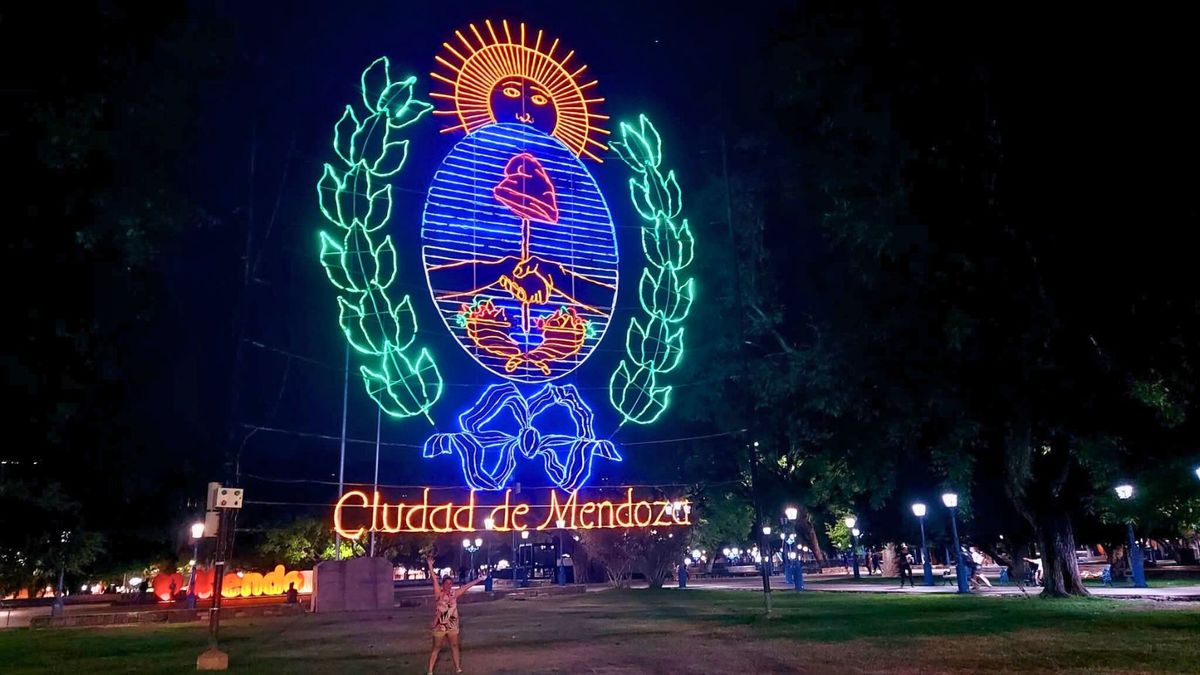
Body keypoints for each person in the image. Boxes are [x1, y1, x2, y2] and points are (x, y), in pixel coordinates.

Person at [427, 556, 486, 675]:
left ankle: (458, 668)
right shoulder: (439, 593)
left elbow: (466, 587)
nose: (449, 585)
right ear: (443, 584)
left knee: (454, 645)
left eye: (450, 583)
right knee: (436, 647)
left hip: (452, 625)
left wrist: (478, 579)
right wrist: (430, 565)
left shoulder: (454, 594)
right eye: (446, 583)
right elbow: (434, 580)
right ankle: (430, 670)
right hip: (440, 626)